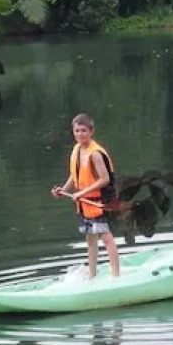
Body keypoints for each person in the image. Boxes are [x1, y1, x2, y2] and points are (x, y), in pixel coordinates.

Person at [51, 113, 121, 280]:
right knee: (90, 239)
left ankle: (116, 277)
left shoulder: (95, 153)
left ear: (91, 131)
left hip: (100, 202)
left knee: (106, 237)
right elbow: (74, 175)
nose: (80, 134)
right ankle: (92, 275)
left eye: (83, 130)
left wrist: (82, 193)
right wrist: (63, 189)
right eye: (77, 131)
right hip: (85, 203)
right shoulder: (76, 149)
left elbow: (104, 179)